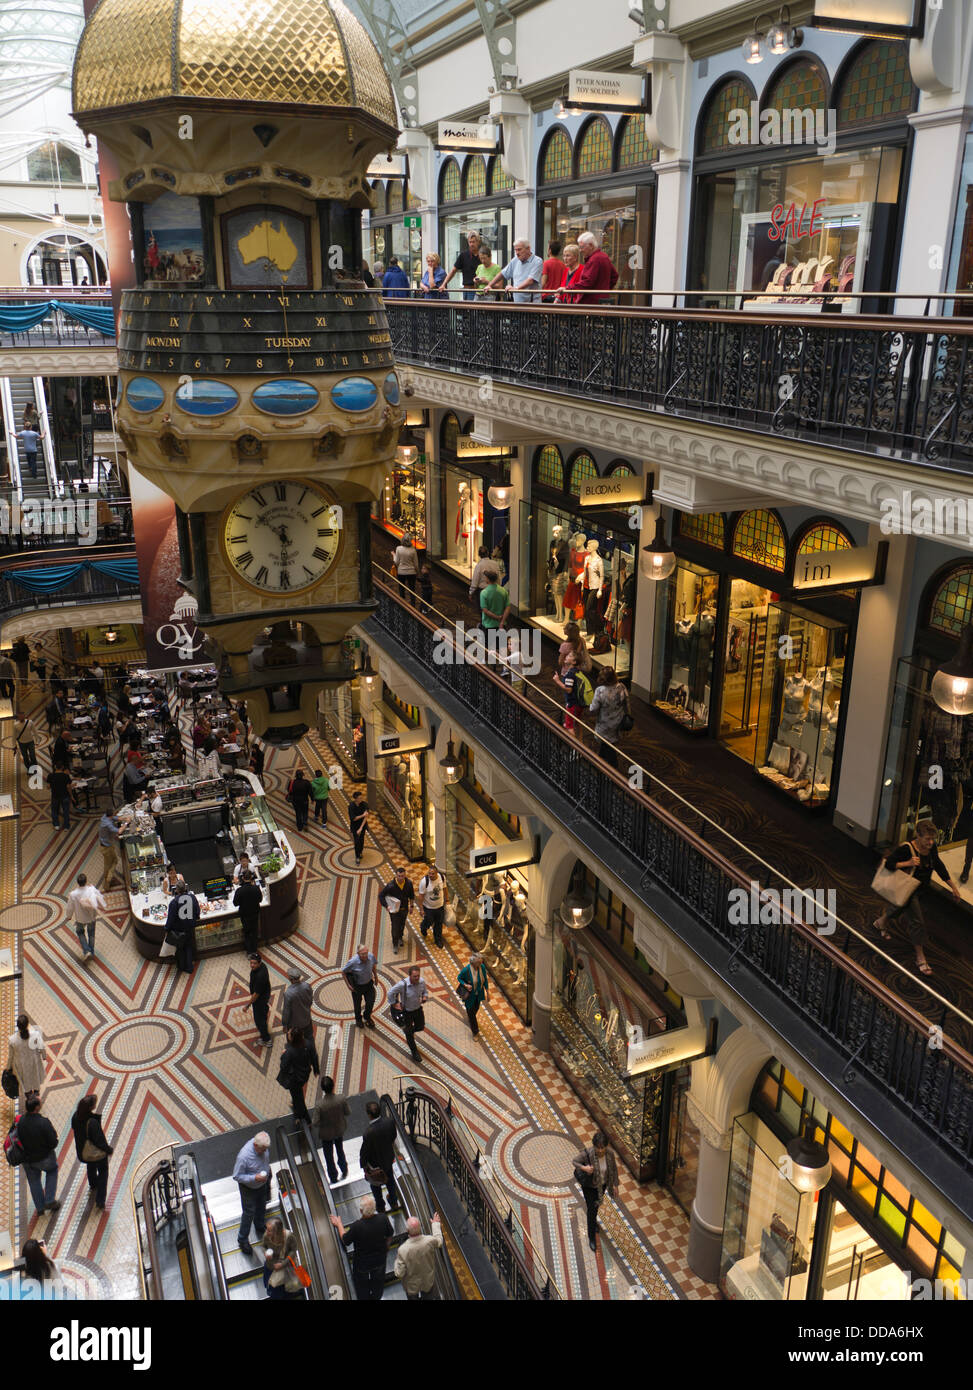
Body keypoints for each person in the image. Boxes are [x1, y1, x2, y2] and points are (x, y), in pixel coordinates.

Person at [873, 819, 961, 975]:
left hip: (920, 889)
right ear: (918, 837)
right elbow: (889, 864)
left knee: (899, 906)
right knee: (917, 922)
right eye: (927, 839)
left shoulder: (931, 848)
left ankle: (881, 922)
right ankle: (920, 957)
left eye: (933, 839)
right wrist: (907, 863)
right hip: (908, 888)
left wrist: (953, 887)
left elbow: (939, 866)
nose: (931, 842)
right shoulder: (907, 848)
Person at [330, 1195, 392, 1301]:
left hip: (362, 1264)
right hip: (380, 1260)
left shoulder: (357, 1226)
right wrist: (386, 1247)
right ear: (375, 1208)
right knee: (378, 1283)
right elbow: (390, 1234)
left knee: (361, 1287)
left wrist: (339, 1224)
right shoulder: (383, 1218)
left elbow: (345, 1240)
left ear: (360, 1210)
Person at [573, 1130, 619, 1252]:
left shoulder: (610, 1154)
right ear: (594, 1146)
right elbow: (574, 1161)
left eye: (602, 1147)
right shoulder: (588, 1153)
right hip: (589, 1185)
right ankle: (591, 1236)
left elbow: (613, 1169)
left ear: (606, 1146)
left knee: (597, 1204)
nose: (600, 1150)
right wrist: (585, 1168)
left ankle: (593, 1222)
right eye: (597, 1147)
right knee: (592, 1210)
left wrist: (615, 1184)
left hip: (602, 1185)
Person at [18, 1095, 61, 1217]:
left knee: (34, 1181)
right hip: (44, 1158)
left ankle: (40, 1208)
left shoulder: (20, 1121)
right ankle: (49, 1200)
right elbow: (53, 1142)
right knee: (52, 1171)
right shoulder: (43, 1122)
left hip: (27, 1159)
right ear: (37, 1107)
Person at [71, 1092, 113, 1211]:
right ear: (91, 1107)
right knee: (103, 1172)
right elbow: (100, 1141)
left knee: (91, 1166)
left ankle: (93, 1184)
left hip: (84, 1152)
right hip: (97, 1154)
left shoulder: (75, 1116)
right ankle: (100, 1200)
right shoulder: (92, 1123)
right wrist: (108, 1150)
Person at [232, 1131, 272, 1256]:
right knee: (249, 1213)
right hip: (249, 1188)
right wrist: (254, 1178)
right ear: (255, 1145)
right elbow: (237, 1176)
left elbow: (265, 1161)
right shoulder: (244, 1157)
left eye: (266, 1149)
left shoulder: (263, 1147)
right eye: (262, 1149)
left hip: (262, 1184)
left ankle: (259, 1225)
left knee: (261, 1206)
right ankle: (242, 1239)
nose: (265, 1152)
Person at [359, 1099, 399, 1212]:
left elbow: (365, 1152)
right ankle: (394, 1201)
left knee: (376, 1186)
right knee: (390, 1181)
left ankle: (381, 1207)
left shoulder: (368, 1133)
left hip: (375, 1166)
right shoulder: (389, 1122)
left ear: (369, 1115)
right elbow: (393, 1136)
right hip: (388, 1160)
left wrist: (363, 1165)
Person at [589, 667, 631, 771]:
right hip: (617, 721)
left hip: (604, 723)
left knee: (606, 744)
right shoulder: (621, 687)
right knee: (608, 744)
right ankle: (601, 761)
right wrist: (628, 716)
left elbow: (593, 709)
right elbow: (627, 704)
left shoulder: (600, 691)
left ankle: (611, 767)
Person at [310, 1076, 350, 1183]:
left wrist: (325, 1122)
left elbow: (315, 1122)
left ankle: (333, 1176)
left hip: (326, 1134)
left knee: (328, 1156)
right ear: (333, 1085)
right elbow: (348, 1112)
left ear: (322, 1089)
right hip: (339, 1130)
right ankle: (344, 1169)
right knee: (340, 1150)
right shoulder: (341, 1099)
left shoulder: (320, 1105)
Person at [394, 1214, 444, 1300]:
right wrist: (435, 1224)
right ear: (420, 1228)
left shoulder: (403, 1250)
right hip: (427, 1282)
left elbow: (399, 1273)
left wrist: (396, 1262)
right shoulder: (429, 1241)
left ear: (407, 1230)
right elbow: (439, 1241)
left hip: (411, 1286)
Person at [388, 965, 429, 1063]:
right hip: (407, 1012)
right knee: (409, 1033)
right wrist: (394, 1003)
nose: (417, 978)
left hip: (418, 1009)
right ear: (409, 976)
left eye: (418, 976)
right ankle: (414, 1051)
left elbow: (425, 992)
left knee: (420, 1027)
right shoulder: (403, 985)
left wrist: (424, 997)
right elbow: (390, 993)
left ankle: (408, 1031)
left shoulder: (421, 982)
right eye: (414, 976)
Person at [277, 1027, 318, 1122]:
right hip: (304, 1074)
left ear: (292, 1038)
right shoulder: (307, 1044)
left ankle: (304, 1119)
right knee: (297, 1096)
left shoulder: (289, 1052)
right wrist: (316, 1069)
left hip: (294, 1079)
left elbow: (283, 1067)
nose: (288, 1033)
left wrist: (283, 1055)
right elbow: (314, 1056)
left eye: (289, 1033)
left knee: (298, 1098)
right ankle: (297, 1110)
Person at [486, 238, 544, 303]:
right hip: (517, 302)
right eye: (515, 250)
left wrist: (516, 288)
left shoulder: (537, 261)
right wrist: (489, 285)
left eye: (519, 249)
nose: (517, 253)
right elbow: (502, 273)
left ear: (528, 249)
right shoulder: (515, 260)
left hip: (532, 304)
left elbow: (530, 280)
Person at [67, 872, 107, 964]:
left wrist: (69, 916)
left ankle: (86, 950)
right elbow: (99, 897)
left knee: (80, 932)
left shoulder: (73, 894)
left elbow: (70, 907)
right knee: (91, 934)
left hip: (80, 919)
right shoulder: (91, 890)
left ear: (78, 882)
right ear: (86, 881)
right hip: (91, 917)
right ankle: (91, 952)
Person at [7, 1013, 45, 1105]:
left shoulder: (12, 1040)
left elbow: (10, 1056)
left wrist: (8, 1067)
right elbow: (41, 1047)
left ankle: (29, 1099)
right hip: (34, 1063)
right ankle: (36, 1097)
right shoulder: (35, 1034)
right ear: (28, 1024)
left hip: (21, 1066)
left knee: (26, 1084)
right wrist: (44, 1056)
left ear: (18, 1026)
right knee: (35, 1080)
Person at [573, 230, 619, 305]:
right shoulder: (604, 256)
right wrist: (605, 290)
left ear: (591, 246)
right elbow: (614, 276)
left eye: (582, 247)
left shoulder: (594, 260)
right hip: (601, 301)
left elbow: (587, 282)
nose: (580, 251)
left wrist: (569, 288)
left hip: (591, 303)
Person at [262, 1217, 304, 1299]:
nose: (266, 1232)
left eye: (269, 1230)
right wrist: (265, 1253)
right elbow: (263, 1246)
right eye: (267, 1229)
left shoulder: (289, 1237)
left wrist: (282, 1264)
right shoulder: (267, 1235)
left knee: (283, 1290)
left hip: (285, 1270)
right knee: (271, 1286)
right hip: (270, 1267)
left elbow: (293, 1250)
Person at [166, 877, 200, 974]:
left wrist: (167, 928)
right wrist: (196, 917)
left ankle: (181, 967)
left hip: (178, 930)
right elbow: (197, 911)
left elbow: (171, 918)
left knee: (180, 948)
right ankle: (189, 968)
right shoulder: (192, 897)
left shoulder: (174, 902)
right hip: (189, 928)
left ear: (176, 890)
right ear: (185, 888)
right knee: (188, 947)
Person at [378, 865, 415, 951]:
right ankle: (395, 944)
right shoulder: (391, 885)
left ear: (405, 875)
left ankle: (400, 938)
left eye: (402, 876)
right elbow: (381, 895)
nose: (401, 878)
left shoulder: (408, 884)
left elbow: (412, 896)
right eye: (399, 876)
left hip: (404, 909)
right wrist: (386, 906)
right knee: (395, 927)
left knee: (402, 925)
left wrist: (411, 906)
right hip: (394, 911)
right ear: (396, 875)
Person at [281, 965, 316, 1056]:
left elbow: (286, 1011)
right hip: (306, 1019)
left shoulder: (288, 993)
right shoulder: (307, 986)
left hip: (294, 1024)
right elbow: (310, 1000)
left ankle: (294, 1056)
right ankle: (312, 1053)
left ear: (290, 979)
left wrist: (284, 1024)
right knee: (309, 1037)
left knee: (292, 1041)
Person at [342, 944, 378, 1028]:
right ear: (358, 953)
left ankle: (367, 1016)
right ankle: (358, 1019)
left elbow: (373, 966)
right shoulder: (353, 962)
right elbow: (343, 972)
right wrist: (348, 985)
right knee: (357, 1004)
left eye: (366, 953)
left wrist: (376, 977)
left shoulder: (371, 956)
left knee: (370, 1002)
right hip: (357, 986)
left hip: (369, 984)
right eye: (363, 954)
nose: (365, 956)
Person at [441, 230, 482, 300]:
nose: (471, 244)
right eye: (470, 242)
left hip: (478, 290)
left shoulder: (482, 256)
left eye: (473, 242)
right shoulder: (463, 255)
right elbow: (453, 271)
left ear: (478, 242)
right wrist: (444, 284)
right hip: (466, 289)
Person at [243, 951, 272, 1045]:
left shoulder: (260, 976)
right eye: (251, 963)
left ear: (259, 963)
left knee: (259, 1020)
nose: (252, 965)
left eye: (254, 963)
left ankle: (267, 1039)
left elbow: (256, 995)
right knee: (263, 1013)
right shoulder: (262, 966)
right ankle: (264, 1013)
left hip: (259, 999)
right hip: (264, 995)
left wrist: (247, 1005)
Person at [457, 952, 489, 1037]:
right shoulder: (466, 970)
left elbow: (485, 979)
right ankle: (475, 1032)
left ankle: (471, 1017)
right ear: (473, 962)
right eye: (479, 962)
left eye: (481, 962)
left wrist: (488, 992)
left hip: (479, 994)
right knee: (472, 1014)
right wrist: (465, 985)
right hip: (470, 996)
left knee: (476, 1008)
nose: (481, 964)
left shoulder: (482, 967)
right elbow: (459, 977)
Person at [416, 865, 447, 947]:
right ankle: (423, 927)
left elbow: (445, 888)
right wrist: (421, 909)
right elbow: (421, 896)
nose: (430, 875)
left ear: (437, 873)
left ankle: (438, 940)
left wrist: (447, 901)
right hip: (428, 908)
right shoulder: (424, 882)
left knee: (438, 924)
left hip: (440, 906)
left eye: (432, 874)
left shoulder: (442, 878)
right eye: (429, 873)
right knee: (428, 921)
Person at [233, 871, 263, 956]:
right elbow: (260, 900)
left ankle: (249, 951)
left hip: (244, 915)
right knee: (254, 932)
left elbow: (235, 903)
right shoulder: (256, 888)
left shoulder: (239, 891)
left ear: (242, 878)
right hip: (255, 914)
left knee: (247, 933)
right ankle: (254, 950)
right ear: (251, 878)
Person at [391, 533, 420, 603]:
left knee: (401, 589)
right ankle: (413, 604)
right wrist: (417, 571)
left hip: (401, 572)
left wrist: (394, 555)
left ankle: (402, 604)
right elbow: (416, 564)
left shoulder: (398, 549)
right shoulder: (413, 550)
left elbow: (396, 562)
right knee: (412, 589)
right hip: (411, 572)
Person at [479, 567, 511, 631]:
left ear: (488, 579)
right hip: (501, 625)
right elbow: (508, 607)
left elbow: (485, 610)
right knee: (501, 641)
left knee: (490, 641)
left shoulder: (484, 593)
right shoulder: (503, 591)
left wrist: (497, 617)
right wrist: (502, 621)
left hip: (488, 625)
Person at [98, 812, 123, 890]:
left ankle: (107, 880)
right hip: (106, 848)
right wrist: (126, 823)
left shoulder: (105, 816)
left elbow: (116, 818)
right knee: (112, 862)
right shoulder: (108, 825)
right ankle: (107, 881)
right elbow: (119, 831)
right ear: (110, 816)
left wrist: (125, 818)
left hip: (106, 845)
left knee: (110, 862)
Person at [49, 762, 74, 832]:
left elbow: (48, 786)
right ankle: (66, 826)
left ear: (55, 767)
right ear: (62, 767)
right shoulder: (66, 776)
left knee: (54, 811)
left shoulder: (51, 776)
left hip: (55, 796)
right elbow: (68, 787)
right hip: (65, 796)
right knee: (66, 811)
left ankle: (56, 825)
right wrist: (71, 796)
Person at [348, 791, 368, 864]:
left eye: (361, 797)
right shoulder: (351, 806)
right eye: (359, 798)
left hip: (362, 825)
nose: (361, 799)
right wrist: (362, 815)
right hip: (354, 826)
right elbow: (353, 818)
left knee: (361, 840)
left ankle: (360, 852)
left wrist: (361, 828)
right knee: (356, 842)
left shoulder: (364, 804)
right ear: (355, 799)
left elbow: (366, 817)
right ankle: (357, 856)